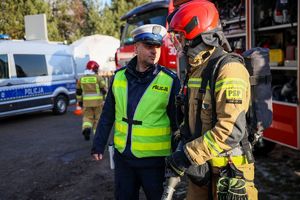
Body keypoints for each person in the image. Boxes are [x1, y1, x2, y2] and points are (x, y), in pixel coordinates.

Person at [165, 1, 258, 200]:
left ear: (195, 34)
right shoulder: (197, 69)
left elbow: (230, 130)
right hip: (202, 169)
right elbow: (192, 114)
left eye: (179, 36)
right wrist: (181, 138)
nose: (176, 42)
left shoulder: (229, 69)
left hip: (229, 175)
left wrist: (187, 154)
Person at [91, 24, 181, 200]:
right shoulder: (118, 77)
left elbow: (177, 123)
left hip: (155, 162)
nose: (154, 51)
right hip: (124, 160)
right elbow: (108, 114)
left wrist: (178, 157)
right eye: (149, 46)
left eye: (157, 47)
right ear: (136, 48)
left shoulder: (170, 81)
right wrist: (98, 144)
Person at [76, 60, 107, 141]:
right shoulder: (98, 78)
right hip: (98, 103)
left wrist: (79, 101)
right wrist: (106, 100)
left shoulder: (81, 79)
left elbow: (78, 92)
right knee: (98, 119)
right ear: (94, 69)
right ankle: (97, 136)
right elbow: (104, 90)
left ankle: (86, 128)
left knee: (87, 118)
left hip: (86, 103)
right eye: (96, 69)